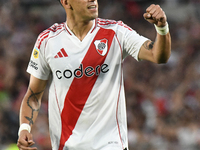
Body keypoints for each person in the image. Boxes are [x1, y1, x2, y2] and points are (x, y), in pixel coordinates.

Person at [17, 0, 171, 150]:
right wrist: (24, 128)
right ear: (66, 2)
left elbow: (158, 55)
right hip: (67, 146)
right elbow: (34, 94)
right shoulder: (48, 41)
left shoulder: (116, 31)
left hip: (110, 145)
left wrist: (162, 28)